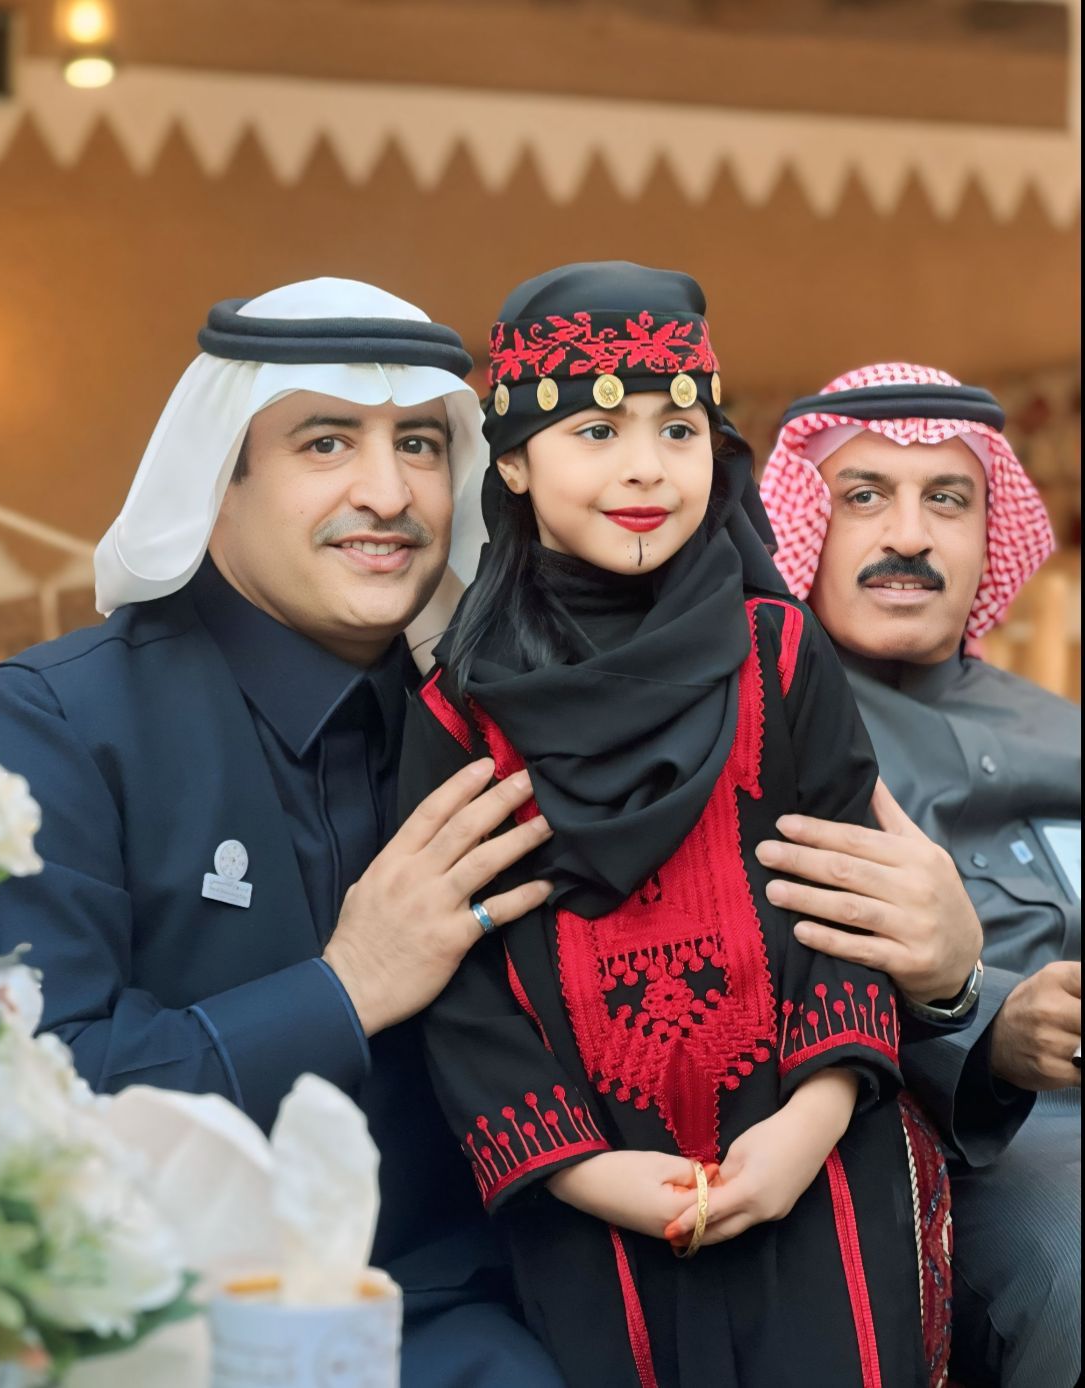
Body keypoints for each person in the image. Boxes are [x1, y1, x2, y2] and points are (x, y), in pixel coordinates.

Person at [0, 279, 569, 1386]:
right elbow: (28, 1102)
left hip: (469, 1326)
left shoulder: (495, 734)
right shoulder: (50, 726)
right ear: (218, 476)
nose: (388, 493)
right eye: (326, 442)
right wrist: (345, 988)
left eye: (420, 445)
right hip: (148, 1333)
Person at [400, 263, 957, 1388]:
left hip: (818, 1167)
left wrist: (808, 1124)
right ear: (512, 460)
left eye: (678, 428)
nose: (647, 466)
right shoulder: (461, 708)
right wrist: (580, 1170)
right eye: (597, 430)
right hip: (590, 1202)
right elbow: (455, 983)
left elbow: (851, 896)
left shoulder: (777, 653)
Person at [761, 361, 1081, 1388]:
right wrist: (994, 1026)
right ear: (803, 526)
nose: (910, 534)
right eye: (864, 497)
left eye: (948, 499)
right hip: (941, 1140)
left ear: (991, 533)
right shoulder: (763, 726)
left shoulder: (1059, 724)